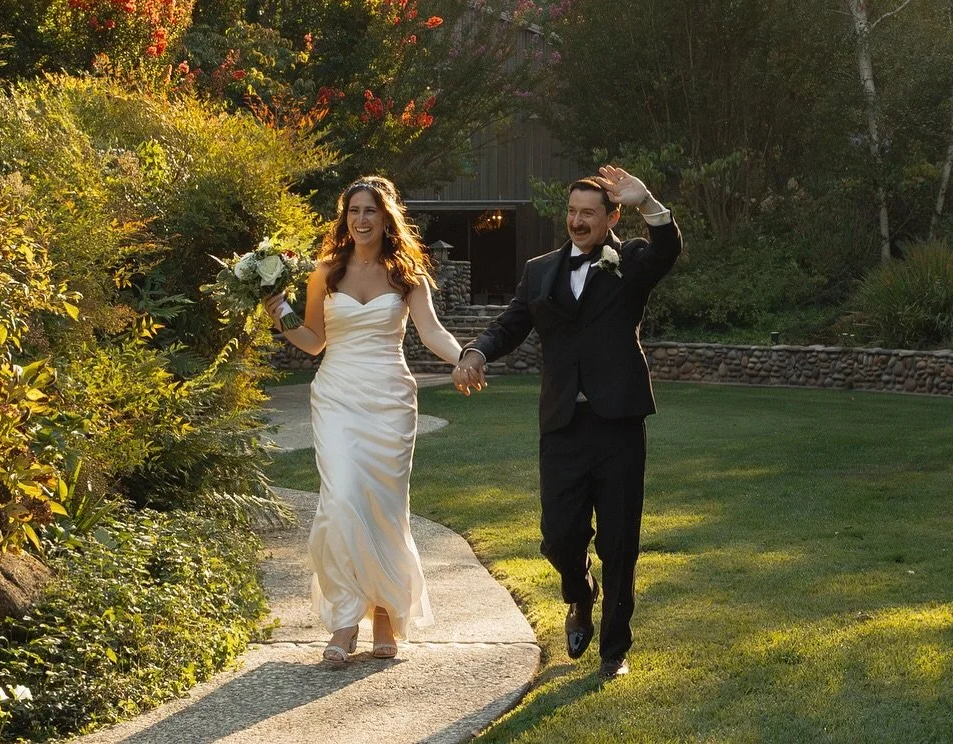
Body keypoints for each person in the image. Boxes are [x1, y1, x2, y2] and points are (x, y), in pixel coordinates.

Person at [452, 164, 681, 682]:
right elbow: (511, 323)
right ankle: (579, 595)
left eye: (588, 213)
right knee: (558, 536)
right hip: (561, 423)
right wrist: (476, 352)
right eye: (572, 212)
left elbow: (667, 249)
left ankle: (614, 651)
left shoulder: (632, 261)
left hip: (618, 421)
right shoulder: (539, 271)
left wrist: (650, 204)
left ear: (611, 217)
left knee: (620, 542)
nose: (577, 222)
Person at [266, 175, 464, 668]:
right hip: (336, 396)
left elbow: (432, 332)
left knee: (384, 508)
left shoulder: (406, 275)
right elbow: (313, 340)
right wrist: (280, 310)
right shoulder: (325, 271)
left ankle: (383, 617)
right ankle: (344, 620)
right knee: (340, 500)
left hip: (389, 399)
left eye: (370, 211)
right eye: (353, 211)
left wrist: (465, 357)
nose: (361, 220)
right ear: (344, 217)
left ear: (385, 217)